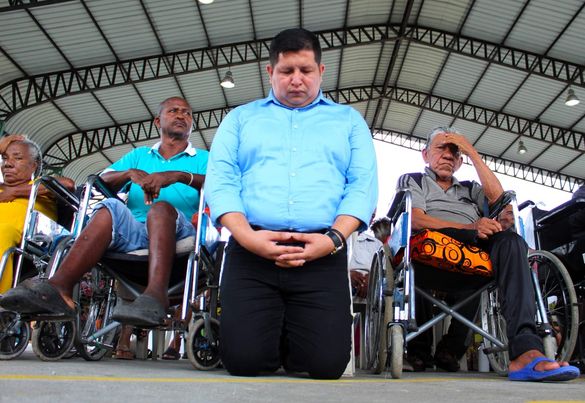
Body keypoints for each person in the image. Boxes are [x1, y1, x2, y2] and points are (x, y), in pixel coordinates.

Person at [205, 28, 378, 379]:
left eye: (305, 70)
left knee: (326, 366)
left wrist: (333, 239)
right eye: (286, 71)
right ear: (270, 72)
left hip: (321, 251)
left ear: (321, 71)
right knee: (244, 362)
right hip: (252, 250)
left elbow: (362, 184)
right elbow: (221, 181)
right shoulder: (240, 119)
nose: (296, 79)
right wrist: (248, 237)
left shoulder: (348, 121)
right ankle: (265, 335)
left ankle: (287, 336)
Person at [0, 97, 208, 329]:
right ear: (157, 121)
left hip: (179, 232)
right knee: (110, 206)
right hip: (135, 233)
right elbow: (99, 180)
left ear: (192, 124)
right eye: (173, 111)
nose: (181, 115)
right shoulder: (139, 155)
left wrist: (179, 176)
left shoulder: (203, 158)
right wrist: (128, 173)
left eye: (186, 113)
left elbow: (220, 185)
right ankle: (59, 288)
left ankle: (156, 296)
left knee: (160, 209)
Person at [397, 126, 579, 381]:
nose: (448, 155)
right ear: (425, 154)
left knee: (512, 243)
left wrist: (472, 152)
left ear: (460, 161)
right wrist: (470, 227)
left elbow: (498, 199)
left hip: (473, 251)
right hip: (431, 251)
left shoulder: (470, 188)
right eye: (441, 148)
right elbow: (416, 220)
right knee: (448, 244)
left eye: (455, 152)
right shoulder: (414, 180)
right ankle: (420, 351)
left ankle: (525, 350)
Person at [0, 134, 75, 294]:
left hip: (27, 240)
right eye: (5, 158)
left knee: (3, 231)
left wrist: (14, 192)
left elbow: (68, 184)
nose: (7, 163)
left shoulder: (39, 185)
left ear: (34, 166)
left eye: (17, 158)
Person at [349, 217, 391, 299]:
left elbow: (385, 273)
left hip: (370, 297)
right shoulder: (334, 240)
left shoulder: (376, 244)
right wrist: (347, 275)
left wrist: (372, 279)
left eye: (372, 215)